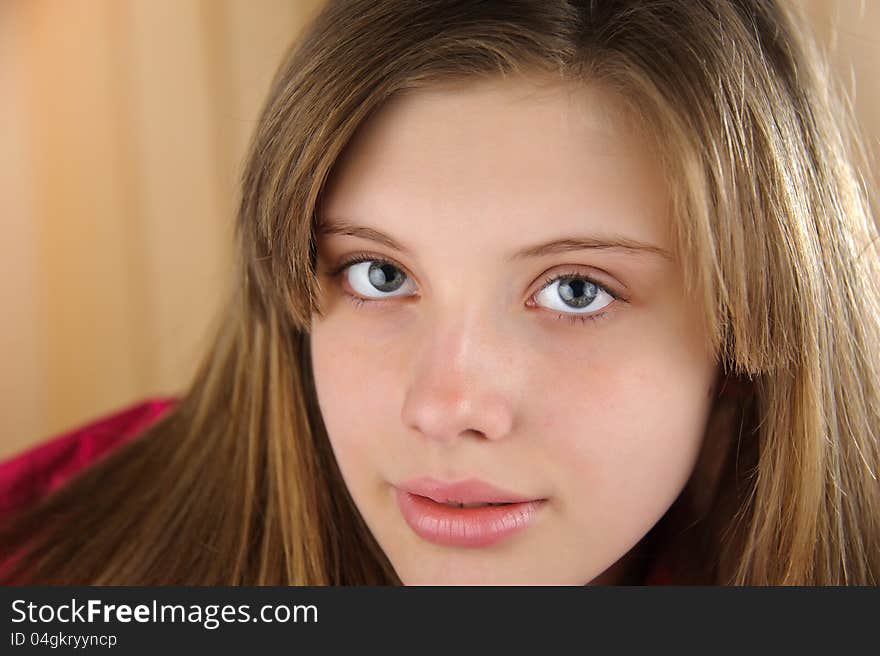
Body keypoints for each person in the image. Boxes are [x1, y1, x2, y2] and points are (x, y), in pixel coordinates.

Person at [1, 0, 878, 585]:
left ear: (746, 322)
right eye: (379, 275)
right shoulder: (40, 556)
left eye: (576, 289)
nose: (445, 407)